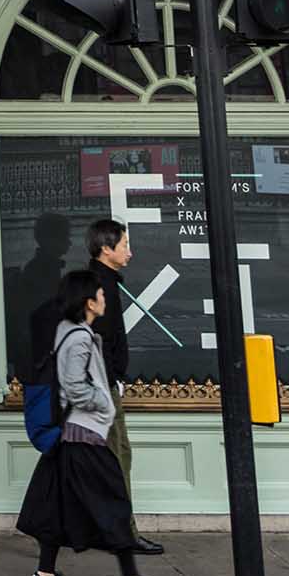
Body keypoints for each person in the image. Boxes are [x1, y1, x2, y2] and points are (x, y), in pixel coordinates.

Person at [17, 267, 176, 576]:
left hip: (70, 435)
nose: (105, 299)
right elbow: (74, 385)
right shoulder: (78, 338)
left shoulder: (65, 331)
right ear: (89, 302)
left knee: (57, 505)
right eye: (100, 295)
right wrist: (103, 403)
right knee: (113, 502)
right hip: (84, 433)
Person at [88, 216, 163, 557]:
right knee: (118, 457)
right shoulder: (99, 285)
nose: (130, 252)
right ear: (106, 249)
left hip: (102, 381)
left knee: (109, 457)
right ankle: (122, 533)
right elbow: (102, 338)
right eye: (125, 246)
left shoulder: (103, 280)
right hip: (103, 383)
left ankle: (108, 528)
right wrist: (113, 378)